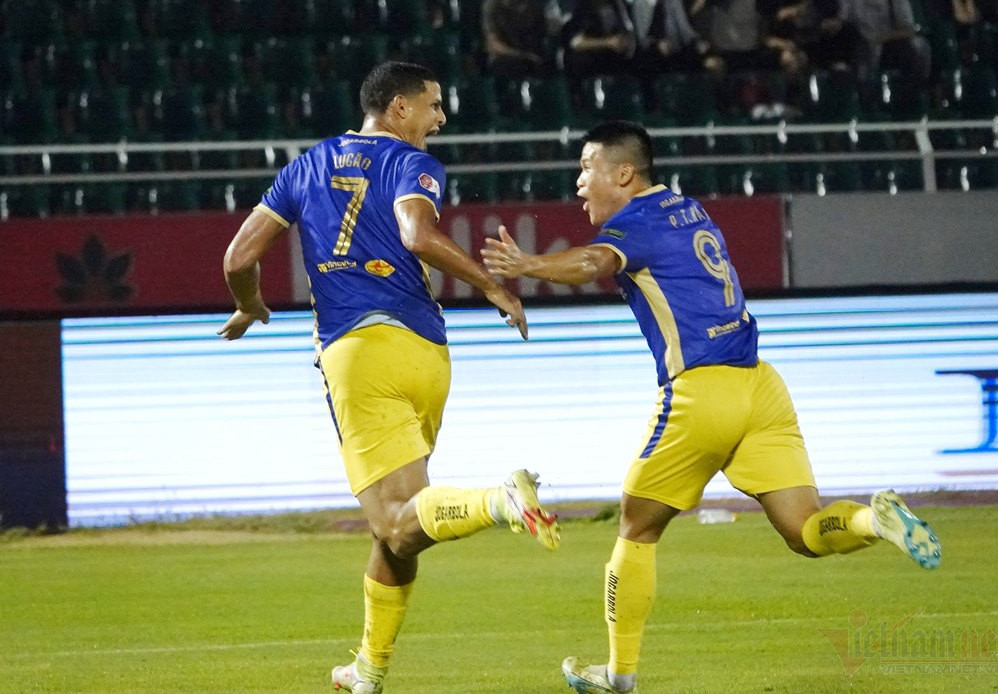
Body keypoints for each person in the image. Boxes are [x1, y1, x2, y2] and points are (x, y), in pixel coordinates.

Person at [481, 120, 942, 694]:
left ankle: (618, 676)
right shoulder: (686, 208)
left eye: (586, 167)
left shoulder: (636, 223)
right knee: (804, 531)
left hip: (703, 392)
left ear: (623, 174)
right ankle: (876, 520)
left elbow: (594, 263)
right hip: (761, 387)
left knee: (636, 526)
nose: (578, 182)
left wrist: (528, 266)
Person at [219, 61, 559, 694]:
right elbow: (417, 232)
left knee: (397, 519)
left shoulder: (307, 166)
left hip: (359, 353)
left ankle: (500, 500)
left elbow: (240, 257)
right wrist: (492, 288)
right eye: (434, 104)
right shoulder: (410, 163)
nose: (441, 117)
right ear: (398, 108)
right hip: (425, 352)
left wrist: (248, 304)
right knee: (399, 530)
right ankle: (368, 670)